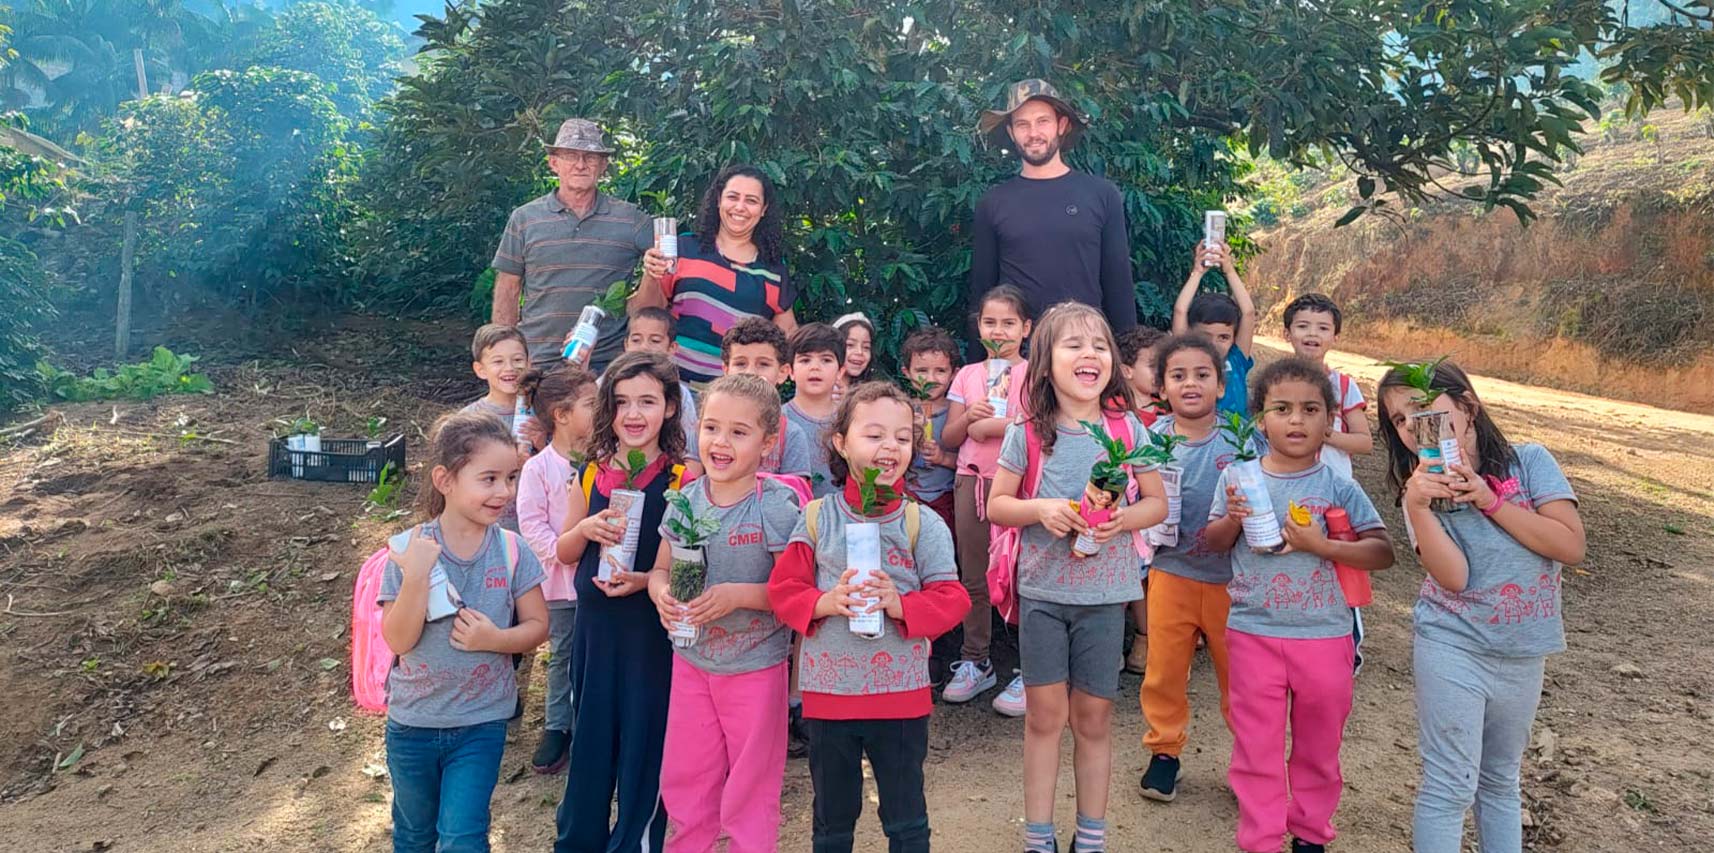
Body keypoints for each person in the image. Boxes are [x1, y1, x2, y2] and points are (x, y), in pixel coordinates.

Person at [1375, 359, 1584, 853]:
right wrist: (1418, 506)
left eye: (1423, 410)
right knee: (1450, 782)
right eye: (1399, 420)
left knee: (1500, 780)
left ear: (1467, 406)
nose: (1412, 426)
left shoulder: (1529, 463)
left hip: (1523, 651)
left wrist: (1490, 500)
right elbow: (1455, 578)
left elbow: (1570, 546)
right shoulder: (1418, 493)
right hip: (1453, 645)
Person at [986, 303, 1168, 853]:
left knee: (1093, 719)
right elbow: (997, 505)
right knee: (1044, 719)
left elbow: (1156, 504)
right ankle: (1038, 837)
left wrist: (1121, 520)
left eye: (1098, 345)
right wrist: (1040, 508)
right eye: (1072, 345)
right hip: (1042, 596)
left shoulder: (1128, 428)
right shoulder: (1027, 432)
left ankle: (1091, 836)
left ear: (1112, 362)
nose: (1088, 354)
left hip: (1107, 598)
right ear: (1044, 365)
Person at [766, 381, 970, 853]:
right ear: (841, 442)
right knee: (832, 819)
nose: (889, 447)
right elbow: (784, 590)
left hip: (899, 698)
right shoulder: (818, 516)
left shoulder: (922, 522)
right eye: (874, 434)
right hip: (829, 698)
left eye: (902, 438)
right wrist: (825, 601)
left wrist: (900, 605)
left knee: (905, 818)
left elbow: (953, 597)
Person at [1204, 358, 1394, 853]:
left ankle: (1311, 834)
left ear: (1329, 421)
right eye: (1281, 409)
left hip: (1325, 636)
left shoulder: (1337, 486)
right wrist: (1232, 520)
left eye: (1311, 409)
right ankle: (1261, 839)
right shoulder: (1239, 479)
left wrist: (1323, 546)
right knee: (1256, 748)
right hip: (1253, 634)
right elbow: (1212, 540)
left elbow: (1382, 551)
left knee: (1319, 745)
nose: (1296, 420)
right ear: (1260, 419)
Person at [380, 411, 550, 853]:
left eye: (510, 478)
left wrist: (495, 639)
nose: (504, 491)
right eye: (489, 478)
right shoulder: (406, 550)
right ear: (444, 480)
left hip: (481, 723)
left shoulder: (513, 550)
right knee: (415, 835)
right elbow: (398, 641)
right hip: (412, 724)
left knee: (462, 837)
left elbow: (538, 626)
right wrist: (417, 577)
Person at [648, 374, 801, 853]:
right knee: (686, 775)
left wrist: (737, 595)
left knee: (751, 785)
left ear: (768, 441)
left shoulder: (775, 505)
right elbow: (659, 569)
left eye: (739, 432)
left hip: (755, 666)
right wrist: (660, 596)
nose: (721, 442)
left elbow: (792, 591)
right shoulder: (685, 498)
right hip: (692, 662)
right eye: (712, 428)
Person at [553, 352, 688, 853]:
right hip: (594, 633)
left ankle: (635, 840)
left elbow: (687, 563)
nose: (634, 414)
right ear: (608, 410)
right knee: (589, 741)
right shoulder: (590, 474)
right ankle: (578, 840)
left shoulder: (681, 480)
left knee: (644, 743)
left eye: (648, 401)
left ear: (670, 408)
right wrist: (585, 528)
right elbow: (564, 552)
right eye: (623, 402)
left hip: (649, 636)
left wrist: (650, 578)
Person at [1139, 333, 1257, 802]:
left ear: (1221, 382)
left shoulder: (1243, 439)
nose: (1191, 384)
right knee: (1164, 670)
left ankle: (1253, 761)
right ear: (1161, 386)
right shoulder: (1150, 442)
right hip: (1171, 573)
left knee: (1241, 677)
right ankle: (1164, 753)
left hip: (1234, 579)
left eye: (1202, 374)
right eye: (1178, 375)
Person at [970, 79, 1134, 355]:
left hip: (1085, 351)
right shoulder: (993, 202)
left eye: (1042, 121)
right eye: (1022, 124)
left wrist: (1128, 359)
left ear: (1061, 125)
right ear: (1011, 132)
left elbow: (1118, 284)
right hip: (1019, 356)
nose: (1033, 133)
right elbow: (981, 292)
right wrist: (977, 367)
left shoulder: (1102, 195)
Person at [490, 119, 652, 372]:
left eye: (590, 157)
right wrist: (506, 355)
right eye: (570, 155)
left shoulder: (631, 219)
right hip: (537, 361)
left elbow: (666, 267)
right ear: (553, 163)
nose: (580, 164)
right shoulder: (524, 218)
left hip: (605, 365)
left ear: (603, 165)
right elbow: (508, 288)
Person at [939, 284, 1033, 713]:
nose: (999, 331)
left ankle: (1033, 668)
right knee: (973, 574)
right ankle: (976, 660)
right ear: (978, 327)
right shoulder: (968, 376)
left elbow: (1038, 430)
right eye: (990, 322)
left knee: (1023, 576)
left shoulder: (1037, 375)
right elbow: (951, 437)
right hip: (972, 482)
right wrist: (972, 421)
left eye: (1009, 323)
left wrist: (994, 427)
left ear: (1026, 328)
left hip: (1020, 488)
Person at [634, 164, 799, 386]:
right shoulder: (683, 249)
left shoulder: (774, 270)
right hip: (671, 387)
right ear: (719, 199)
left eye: (751, 200)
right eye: (733, 197)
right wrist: (650, 274)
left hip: (736, 395)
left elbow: (787, 336)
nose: (740, 207)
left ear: (763, 209)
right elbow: (645, 314)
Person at [516, 365, 599, 775]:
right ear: (561, 415)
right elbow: (530, 523)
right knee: (564, 653)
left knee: (595, 653)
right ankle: (556, 726)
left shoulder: (605, 461)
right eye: (591, 404)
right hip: (561, 585)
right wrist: (562, 551)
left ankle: (592, 724)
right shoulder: (538, 468)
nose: (601, 410)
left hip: (601, 579)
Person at [1115, 325, 1166, 675]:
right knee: (1121, 576)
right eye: (1154, 365)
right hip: (1120, 508)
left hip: (1156, 508)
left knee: (1146, 579)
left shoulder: (1171, 413)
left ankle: (1146, 638)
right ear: (1126, 370)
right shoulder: (1111, 412)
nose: (1162, 374)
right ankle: (1111, 642)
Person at [1281, 294, 1372, 480]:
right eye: (1302, 326)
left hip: (1334, 488)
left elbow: (1364, 442)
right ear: (1286, 334)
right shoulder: (1275, 384)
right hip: (1285, 482)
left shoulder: (1344, 386)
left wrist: (1322, 434)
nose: (1312, 333)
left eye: (1323, 328)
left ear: (1335, 337)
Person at [722, 317, 814, 478]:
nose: (750, 373)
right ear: (726, 369)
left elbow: (796, 495)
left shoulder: (791, 435)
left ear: (782, 372)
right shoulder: (706, 428)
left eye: (763, 364)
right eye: (740, 364)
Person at [1171, 241, 1256, 416]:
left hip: (1237, 440)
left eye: (1223, 337)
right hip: (1198, 438)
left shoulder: (1236, 360)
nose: (1214, 344)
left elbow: (1248, 312)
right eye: (1205, 336)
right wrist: (1198, 272)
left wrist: (1229, 270)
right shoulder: (1188, 360)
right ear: (1191, 335)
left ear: (1233, 337)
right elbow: (1180, 311)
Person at [462, 324, 532, 532]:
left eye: (517, 360)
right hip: (489, 526)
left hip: (535, 526)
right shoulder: (470, 419)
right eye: (498, 361)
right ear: (480, 370)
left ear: (529, 363)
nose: (510, 368)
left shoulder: (542, 412)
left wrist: (540, 441)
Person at [623, 306, 702, 478]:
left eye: (655, 341)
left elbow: (691, 457)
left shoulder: (680, 394)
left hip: (666, 479)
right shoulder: (608, 384)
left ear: (672, 348)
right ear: (626, 345)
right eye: (636, 340)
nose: (644, 347)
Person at [901, 326, 960, 531]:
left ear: (954, 374)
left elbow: (970, 461)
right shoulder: (900, 410)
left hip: (947, 498)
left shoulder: (958, 412)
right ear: (907, 373)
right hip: (908, 497)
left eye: (940, 371)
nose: (930, 379)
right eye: (921, 371)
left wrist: (942, 458)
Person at [784, 323, 846, 499]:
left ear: (840, 371)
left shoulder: (851, 421)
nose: (815, 367)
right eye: (805, 360)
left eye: (826, 360)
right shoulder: (777, 419)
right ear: (790, 371)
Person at [833, 312, 877, 400]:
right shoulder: (821, 387)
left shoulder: (872, 394)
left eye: (866, 347)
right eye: (850, 345)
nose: (859, 352)